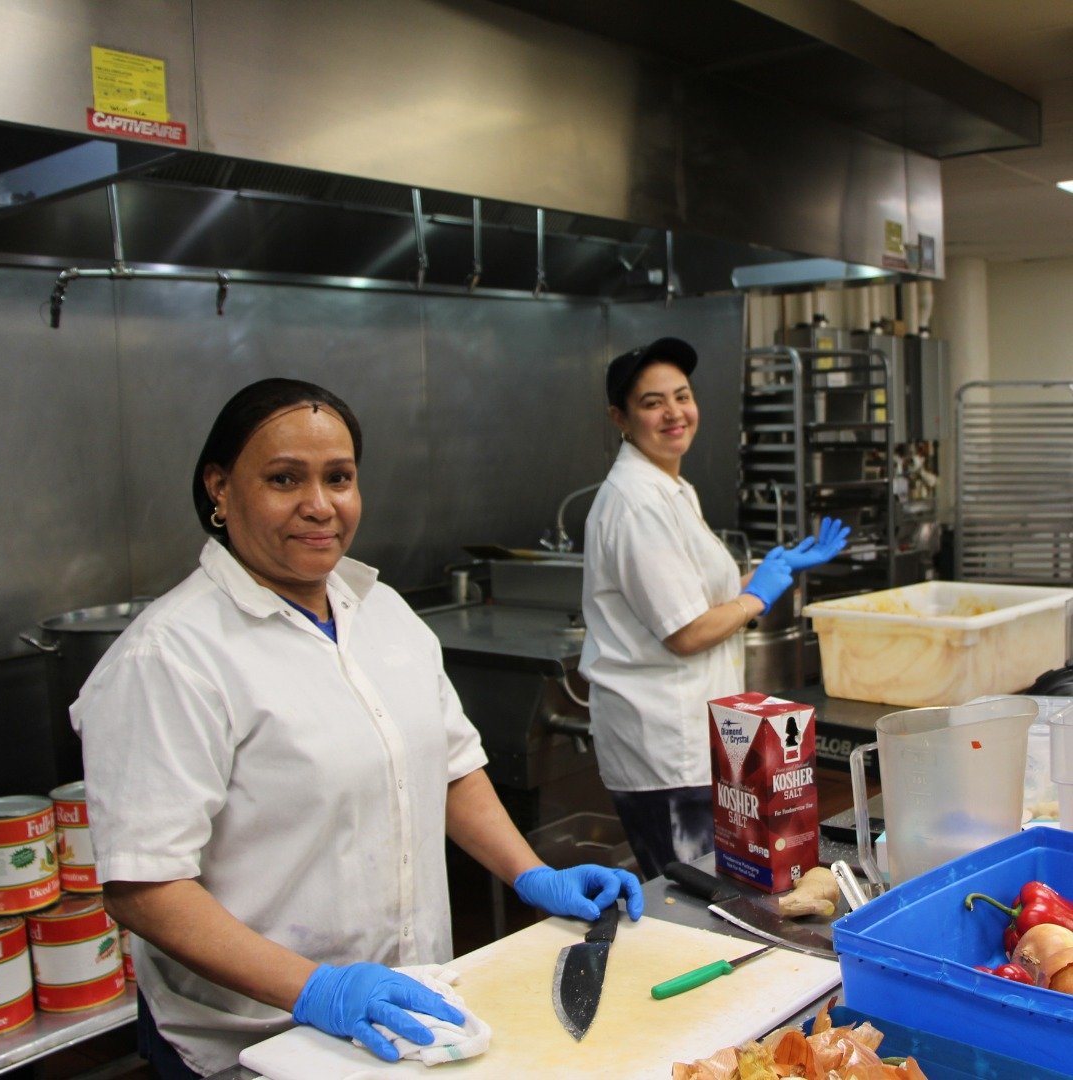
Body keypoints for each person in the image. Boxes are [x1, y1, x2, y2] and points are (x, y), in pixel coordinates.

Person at [71, 378, 643, 1079]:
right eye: (284, 479)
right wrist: (317, 988)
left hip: (409, 1014)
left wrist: (532, 874)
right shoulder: (171, 656)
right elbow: (144, 888)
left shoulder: (386, 616)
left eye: (338, 478)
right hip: (253, 1046)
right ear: (219, 489)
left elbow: (451, 768)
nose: (320, 506)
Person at [579, 339, 849, 880]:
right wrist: (758, 595)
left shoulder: (670, 488)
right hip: (663, 744)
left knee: (714, 888)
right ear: (621, 418)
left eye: (682, 396)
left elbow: (693, 597)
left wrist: (771, 572)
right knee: (689, 894)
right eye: (653, 402)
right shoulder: (637, 502)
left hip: (691, 734)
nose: (674, 412)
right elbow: (685, 631)